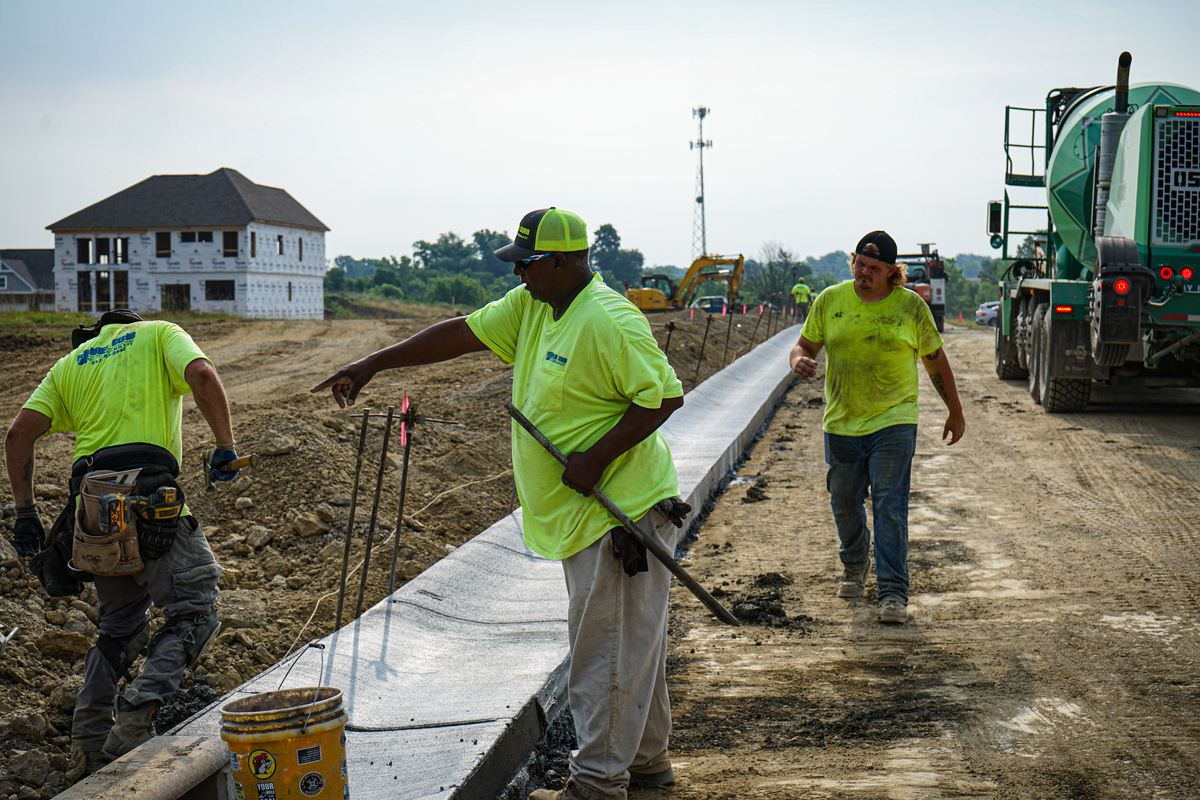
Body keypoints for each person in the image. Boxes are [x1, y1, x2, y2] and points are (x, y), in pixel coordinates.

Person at [312, 207, 686, 800]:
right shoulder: (536, 306)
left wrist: (595, 456)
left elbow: (664, 396)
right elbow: (462, 331)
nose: (520, 276)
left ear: (563, 261)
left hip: (622, 512)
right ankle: (646, 767)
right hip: (579, 516)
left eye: (529, 264)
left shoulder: (609, 320)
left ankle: (596, 787)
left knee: (606, 654)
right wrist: (373, 363)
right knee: (627, 643)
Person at [5, 310, 238, 775]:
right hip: (151, 500)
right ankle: (135, 718)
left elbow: (18, 434)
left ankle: (88, 744)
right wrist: (226, 448)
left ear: (99, 332)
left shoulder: (72, 362)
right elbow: (202, 374)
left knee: (118, 629)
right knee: (196, 608)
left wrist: (27, 513)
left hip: (91, 512)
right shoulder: (160, 335)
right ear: (133, 323)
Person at [789, 231, 964, 624]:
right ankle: (854, 564)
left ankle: (893, 592)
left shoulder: (911, 307)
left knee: (889, 506)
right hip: (842, 422)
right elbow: (804, 346)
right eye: (859, 264)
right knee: (844, 501)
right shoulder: (830, 301)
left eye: (874, 268)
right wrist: (796, 360)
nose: (864, 272)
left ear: (890, 272)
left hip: (894, 421)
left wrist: (955, 410)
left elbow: (935, 361)